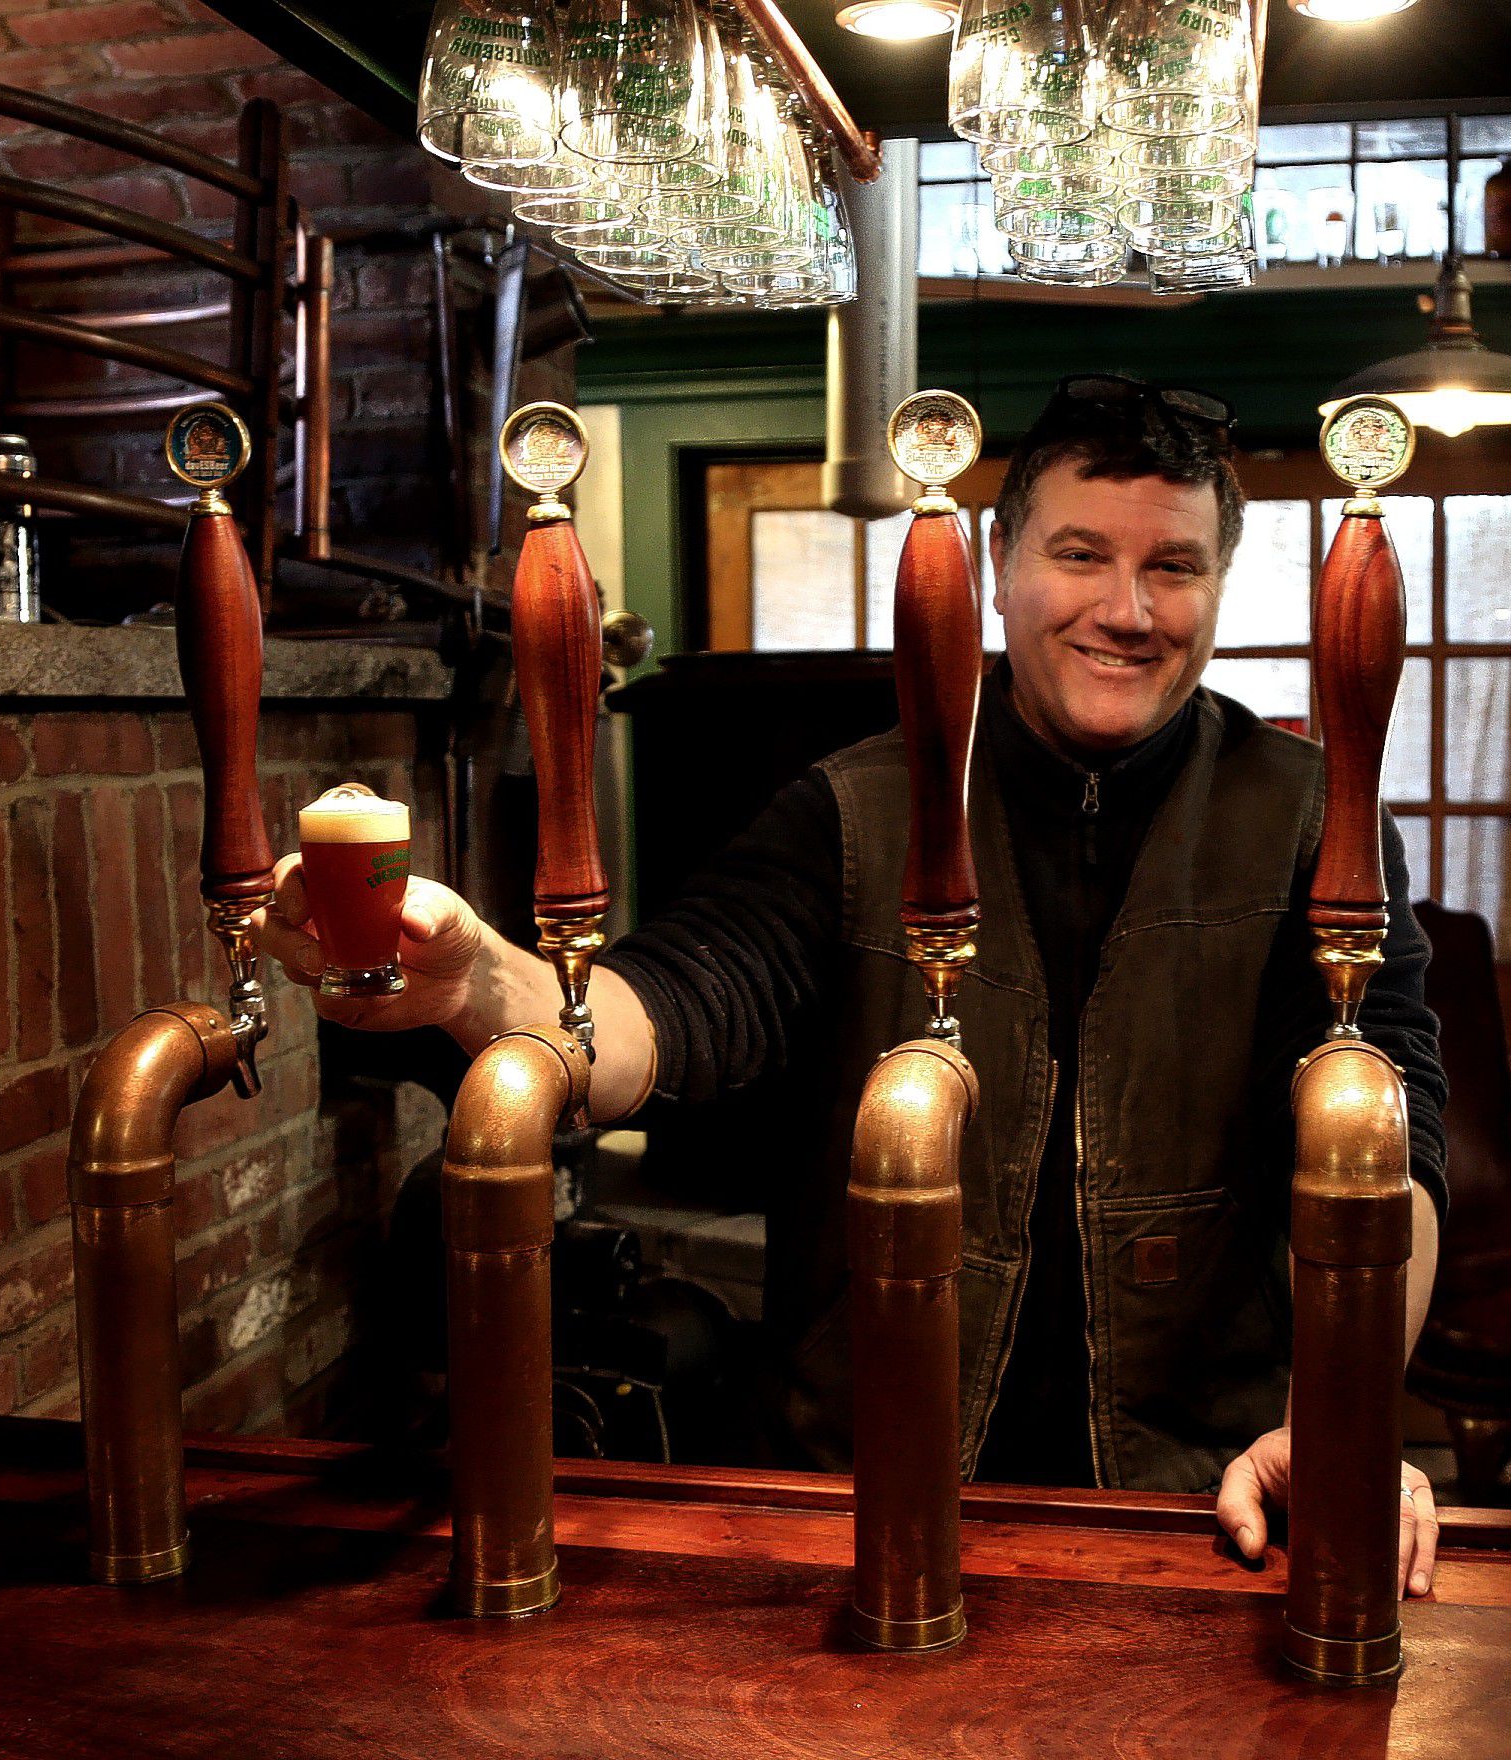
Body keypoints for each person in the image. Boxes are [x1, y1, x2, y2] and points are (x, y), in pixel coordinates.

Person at [254, 373, 1449, 1598]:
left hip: (1205, 1503)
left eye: (1176, 567)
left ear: (1219, 584)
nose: (1128, 609)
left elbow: (1401, 1155)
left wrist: (1340, 1414)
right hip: (865, 1491)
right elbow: (665, 1011)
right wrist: (477, 979)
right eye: (1081, 553)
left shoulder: (1314, 818)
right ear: (996, 562)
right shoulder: (852, 809)